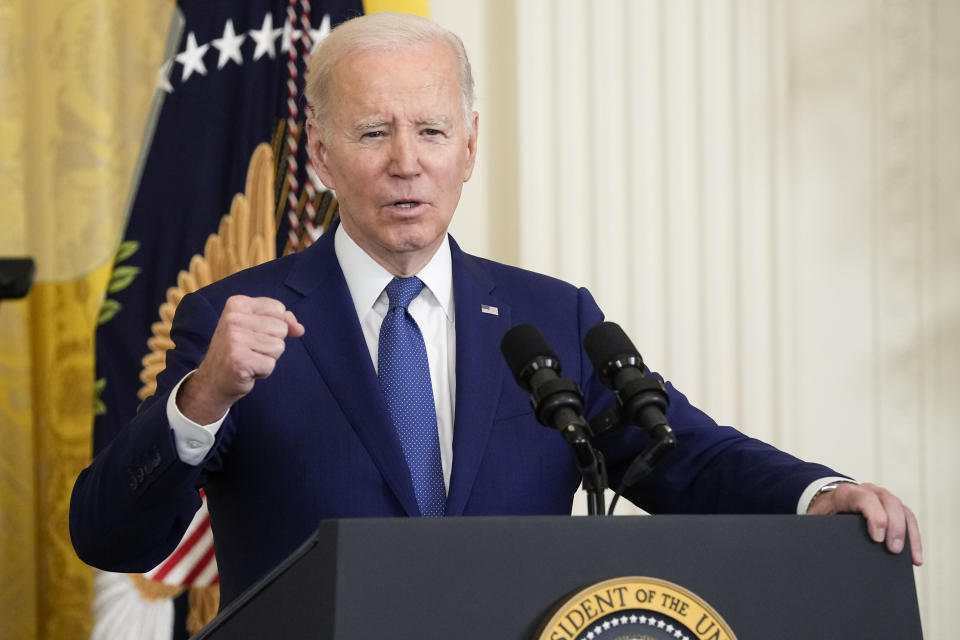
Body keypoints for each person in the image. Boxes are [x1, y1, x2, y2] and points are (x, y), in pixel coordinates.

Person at [70, 12, 921, 608]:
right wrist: (204, 397)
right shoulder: (229, 320)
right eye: (373, 134)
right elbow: (112, 537)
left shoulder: (548, 319)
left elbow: (686, 456)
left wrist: (820, 495)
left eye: (432, 132)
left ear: (469, 147)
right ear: (321, 157)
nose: (407, 163)